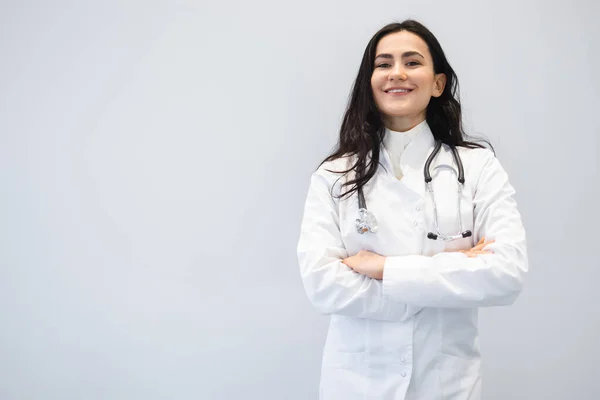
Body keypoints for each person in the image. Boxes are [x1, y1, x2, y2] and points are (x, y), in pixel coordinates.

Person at [296, 19, 528, 400]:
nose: (397, 73)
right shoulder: (335, 175)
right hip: (357, 383)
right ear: (369, 83)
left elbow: (507, 273)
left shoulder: (478, 167)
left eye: (412, 62)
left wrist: (384, 269)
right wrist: (449, 278)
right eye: (383, 64)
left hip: (445, 383)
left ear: (438, 83)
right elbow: (323, 287)